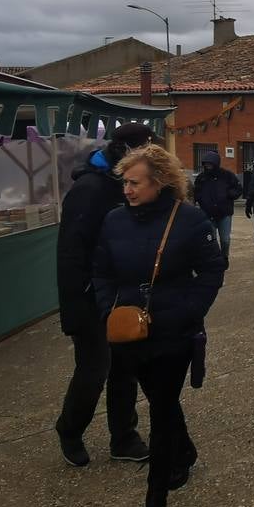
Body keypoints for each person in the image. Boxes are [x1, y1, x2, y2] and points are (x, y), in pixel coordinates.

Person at [94, 144, 225, 507]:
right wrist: (107, 310)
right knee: (158, 397)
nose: (127, 190)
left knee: (163, 407)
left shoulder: (190, 219)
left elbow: (212, 269)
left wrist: (188, 312)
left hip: (173, 333)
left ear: (160, 182)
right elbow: (100, 269)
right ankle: (184, 451)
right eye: (125, 183)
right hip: (128, 331)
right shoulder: (114, 221)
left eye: (135, 182)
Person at [55, 122, 154, 468]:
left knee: (125, 368)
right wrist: (79, 305)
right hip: (88, 299)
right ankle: (69, 430)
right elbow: (70, 254)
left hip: (122, 293)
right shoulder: (90, 189)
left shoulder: (128, 187)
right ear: (127, 152)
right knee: (95, 369)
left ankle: (124, 437)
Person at [192, 151, 242, 264]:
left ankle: (225, 256)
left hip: (224, 213)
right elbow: (195, 193)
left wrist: (229, 194)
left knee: (225, 240)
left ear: (216, 164)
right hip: (208, 214)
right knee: (211, 240)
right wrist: (197, 202)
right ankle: (215, 259)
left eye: (210, 164)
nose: (208, 167)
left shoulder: (227, 175)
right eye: (206, 165)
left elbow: (238, 189)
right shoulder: (201, 178)